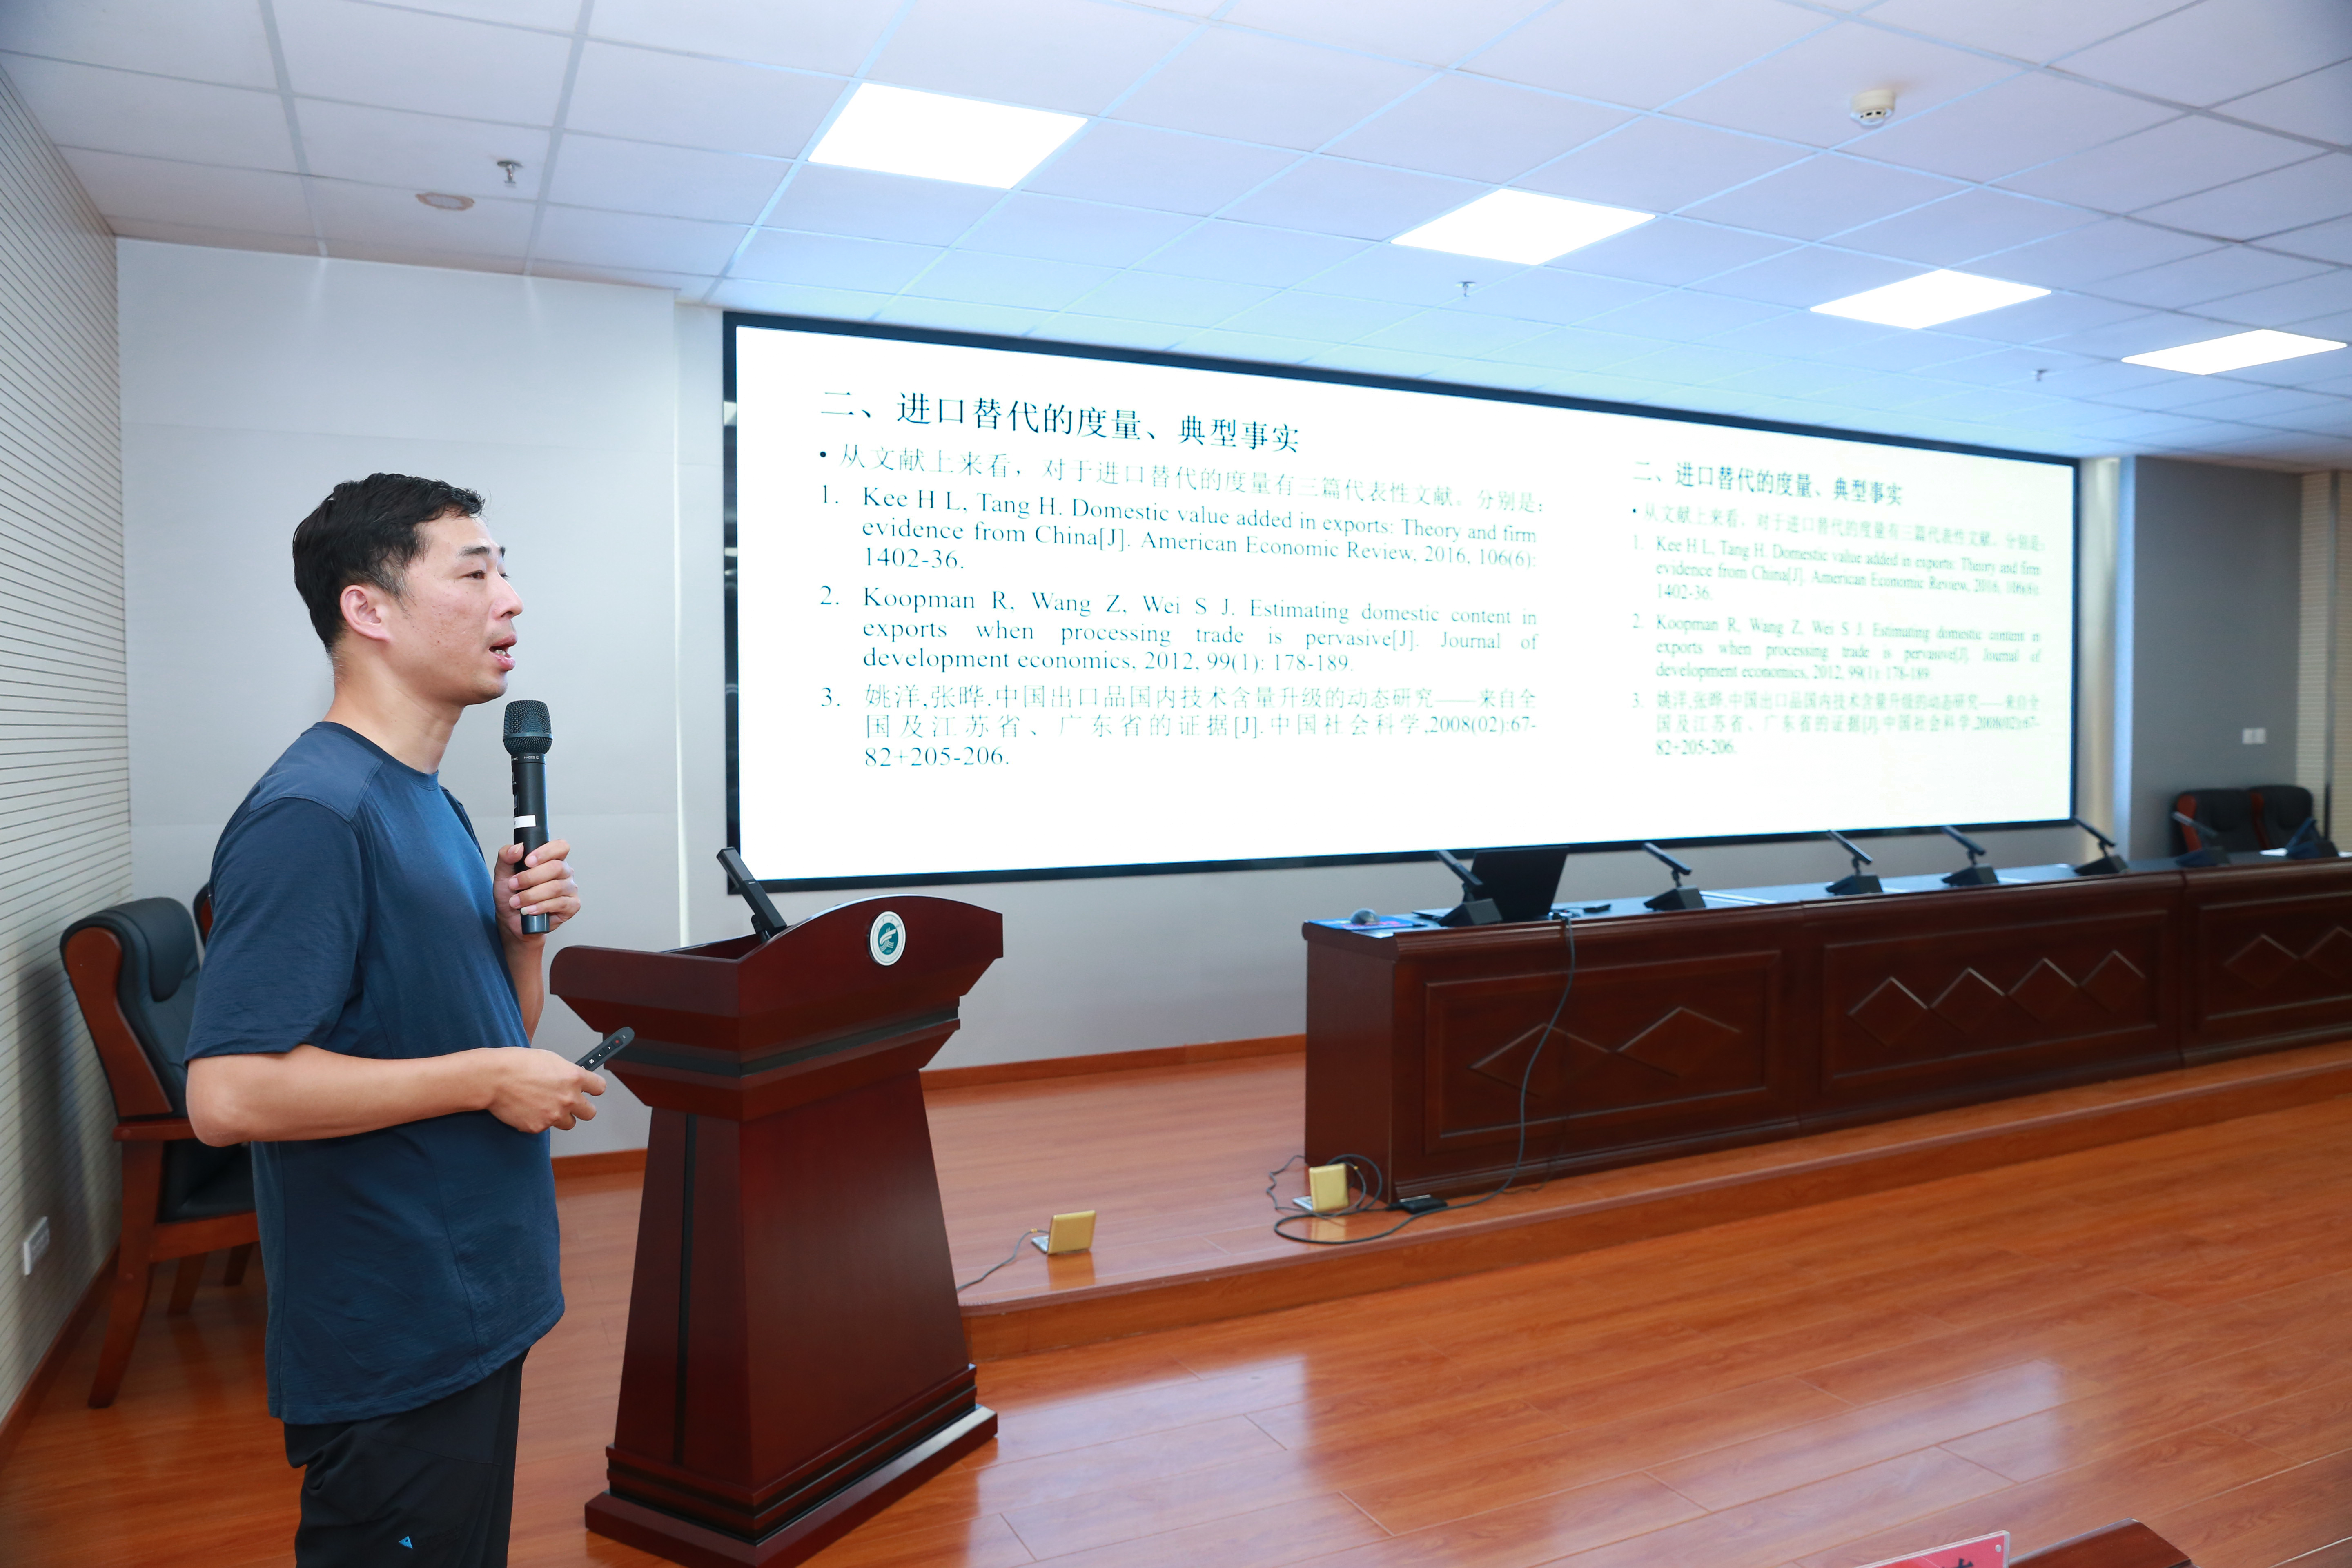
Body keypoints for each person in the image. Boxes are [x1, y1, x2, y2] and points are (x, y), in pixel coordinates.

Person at [185, 472, 604, 1568]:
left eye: (506, 571)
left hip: (472, 1303)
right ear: (366, 607)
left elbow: (500, 1030)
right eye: (475, 573)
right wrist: (486, 1080)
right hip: (395, 1333)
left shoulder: (431, 799)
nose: (510, 599)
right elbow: (228, 1095)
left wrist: (520, 940)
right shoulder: (314, 814)